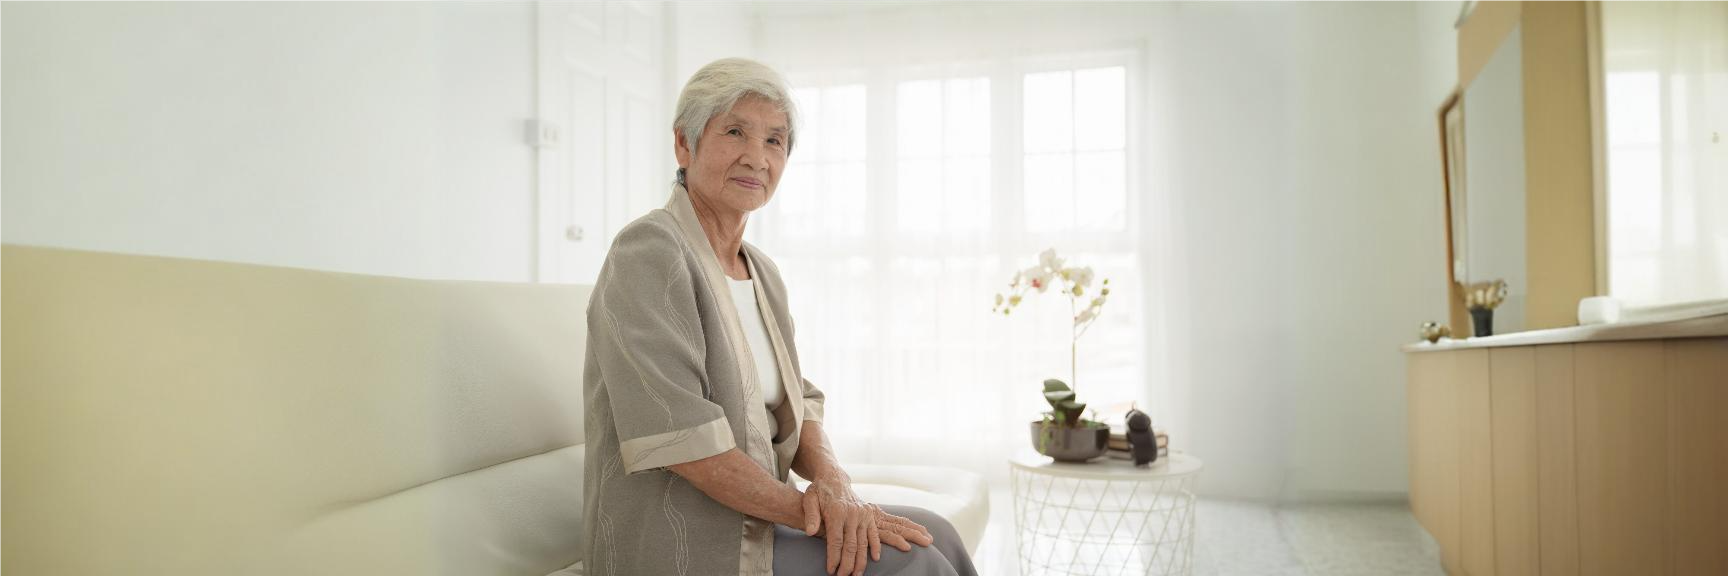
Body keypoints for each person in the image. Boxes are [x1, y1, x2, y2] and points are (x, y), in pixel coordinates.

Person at [580, 58, 978, 576]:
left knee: (937, 531)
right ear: (685, 143)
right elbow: (682, 439)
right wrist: (822, 513)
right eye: (735, 132)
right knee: (913, 560)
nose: (757, 157)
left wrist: (834, 483)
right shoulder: (649, 250)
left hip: (760, 515)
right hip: (686, 537)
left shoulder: (760, 271)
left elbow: (798, 402)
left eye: (775, 140)